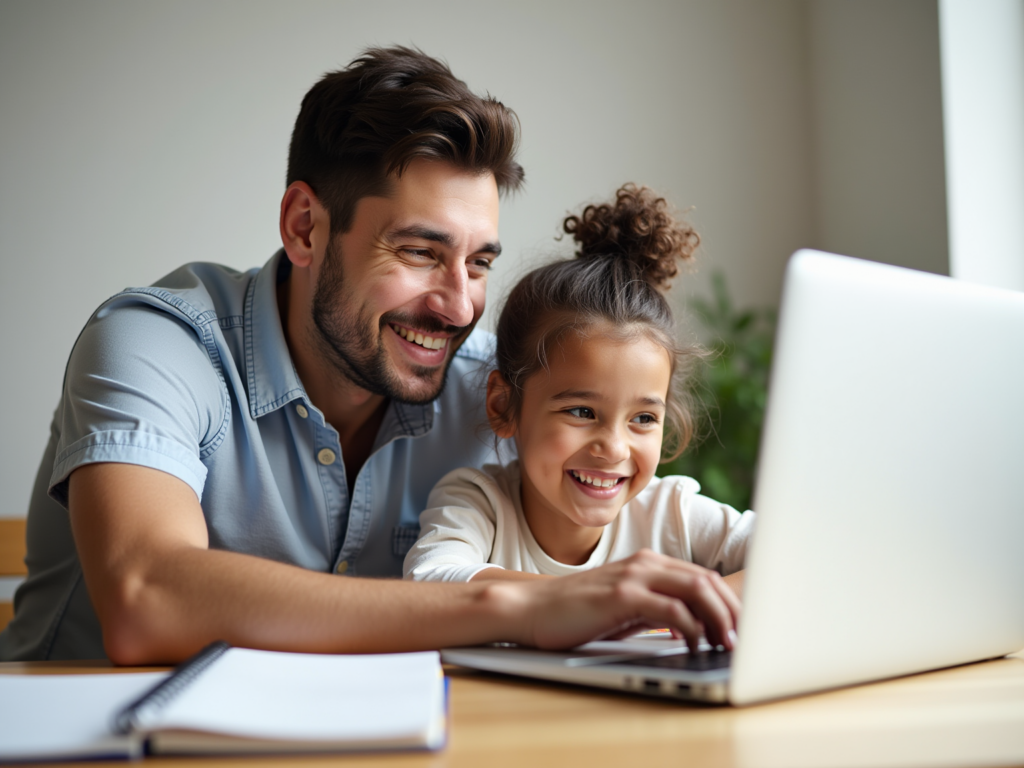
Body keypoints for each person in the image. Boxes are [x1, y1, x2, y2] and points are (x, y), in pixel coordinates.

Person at [0, 48, 739, 665]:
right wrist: (523, 603)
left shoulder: (497, 391)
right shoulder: (153, 344)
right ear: (305, 227)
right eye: (420, 252)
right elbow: (145, 601)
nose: (457, 306)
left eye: (478, 264)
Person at [404, 184, 753, 599]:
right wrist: (604, 596)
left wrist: (699, 601)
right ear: (504, 405)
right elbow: (430, 582)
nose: (615, 448)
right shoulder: (480, 504)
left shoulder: (669, 512)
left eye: (643, 418)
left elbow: (798, 556)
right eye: (582, 412)